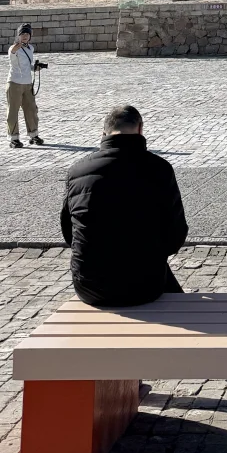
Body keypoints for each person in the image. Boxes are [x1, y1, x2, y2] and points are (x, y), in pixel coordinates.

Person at [61, 105, 188, 308]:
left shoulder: (77, 171)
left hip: (89, 286)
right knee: (149, 263)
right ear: (140, 129)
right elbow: (175, 235)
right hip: (145, 287)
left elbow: (70, 233)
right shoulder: (160, 169)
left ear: (103, 134)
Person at [7, 22, 43, 148]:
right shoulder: (13, 48)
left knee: (31, 110)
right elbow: (13, 51)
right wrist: (19, 44)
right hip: (15, 83)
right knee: (13, 111)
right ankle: (14, 138)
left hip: (27, 83)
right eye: (22, 34)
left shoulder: (31, 49)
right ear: (18, 36)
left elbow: (29, 66)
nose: (25, 36)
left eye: (27, 34)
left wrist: (36, 68)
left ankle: (33, 135)